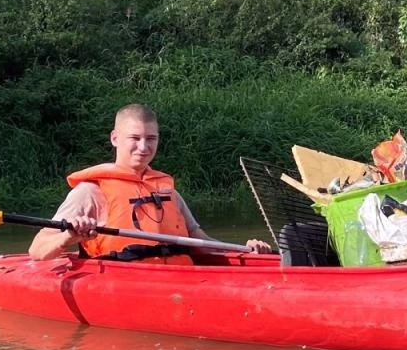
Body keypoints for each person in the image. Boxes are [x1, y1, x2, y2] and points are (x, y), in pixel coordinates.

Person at [29, 103, 273, 262]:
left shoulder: (166, 190)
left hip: (181, 281)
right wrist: (69, 238)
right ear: (115, 138)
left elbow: (199, 240)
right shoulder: (90, 192)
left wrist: (244, 250)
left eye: (151, 138)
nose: (144, 147)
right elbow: (37, 250)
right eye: (134, 138)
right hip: (124, 283)